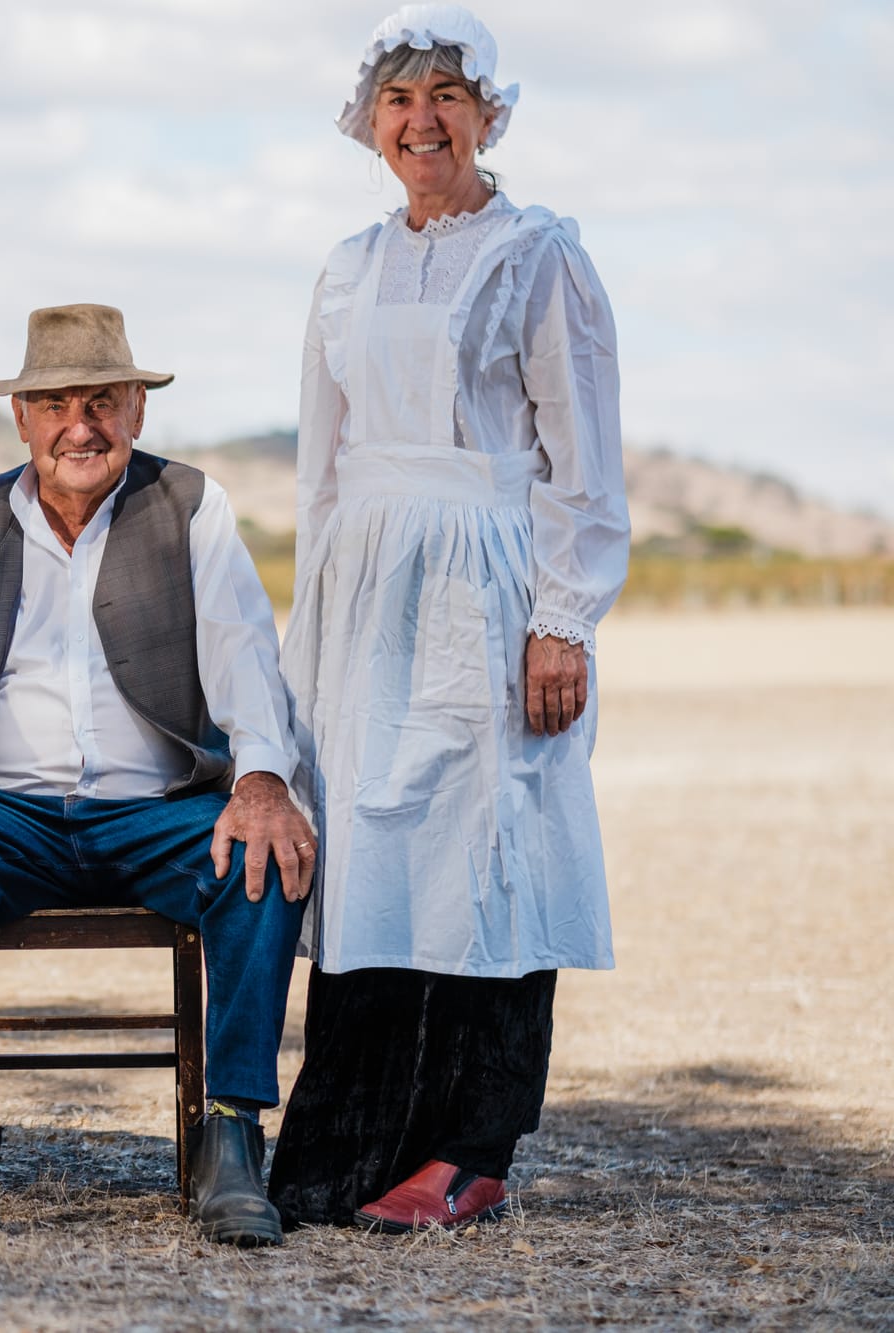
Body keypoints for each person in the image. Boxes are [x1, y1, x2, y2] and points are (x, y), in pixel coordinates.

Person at [266, 4, 629, 1233]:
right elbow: (321, 468)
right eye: (396, 99)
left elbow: (579, 456)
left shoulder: (535, 255)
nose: (420, 121)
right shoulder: (344, 266)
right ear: (368, 121)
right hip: (362, 584)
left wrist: (562, 618)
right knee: (368, 858)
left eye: (443, 96)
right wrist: (308, 623)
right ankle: (344, 1136)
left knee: (485, 854)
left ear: (486, 112)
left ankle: (469, 1147)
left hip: (484, 577)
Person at [0, 305, 318, 1246]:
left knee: (262, 855)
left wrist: (262, 777)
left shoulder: (191, 503)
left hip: (152, 809)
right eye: (56, 403)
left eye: (103, 401)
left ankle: (229, 1133)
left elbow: (244, 644)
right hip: (8, 812)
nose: (81, 425)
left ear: (138, 412)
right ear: (22, 420)